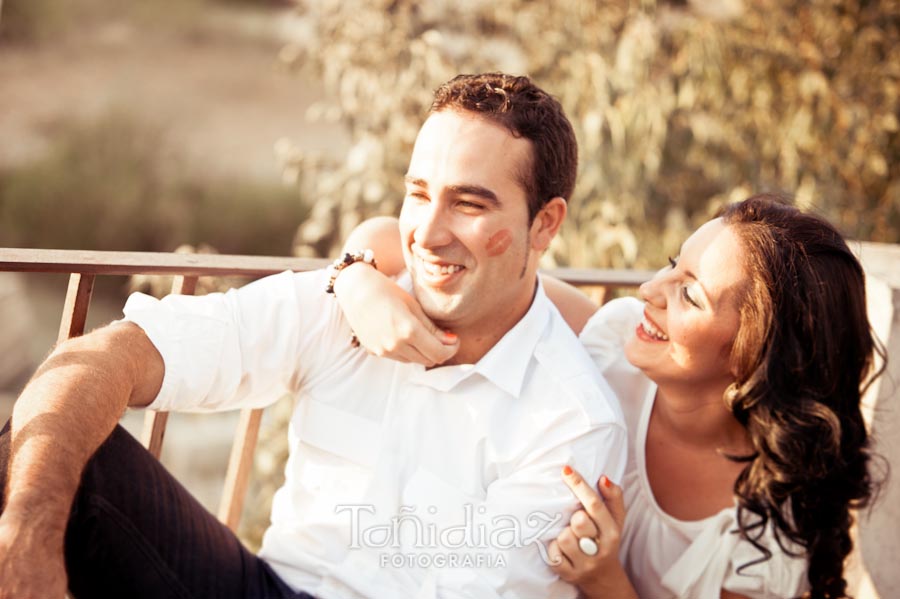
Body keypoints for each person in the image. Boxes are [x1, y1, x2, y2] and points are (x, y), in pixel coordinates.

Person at [0, 72, 628, 599]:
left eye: (469, 204)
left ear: (544, 225)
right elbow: (106, 356)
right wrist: (27, 545)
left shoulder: (571, 421)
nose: (428, 234)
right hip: (264, 588)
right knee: (48, 448)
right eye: (418, 194)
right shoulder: (348, 298)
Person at [331, 194, 884, 598]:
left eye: (688, 294)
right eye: (673, 265)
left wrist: (605, 580)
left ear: (757, 356)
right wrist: (355, 279)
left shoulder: (763, 543)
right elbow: (439, 259)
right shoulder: (614, 339)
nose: (648, 291)